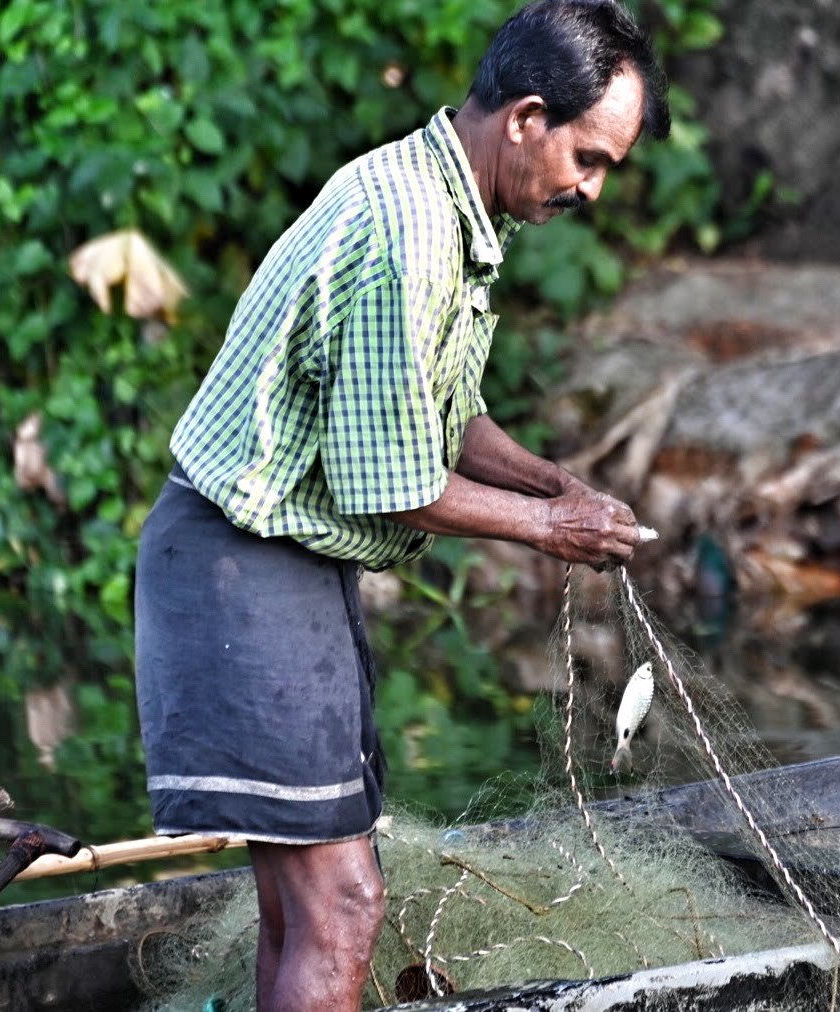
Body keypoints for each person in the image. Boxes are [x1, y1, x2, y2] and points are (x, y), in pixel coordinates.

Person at [133, 2, 671, 1008]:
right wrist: (552, 530)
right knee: (342, 906)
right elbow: (392, 483)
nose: (592, 189)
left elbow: (444, 417)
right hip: (237, 566)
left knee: (302, 912)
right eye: (588, 159)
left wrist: (551, 482)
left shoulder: (448, 206)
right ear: (526, 120)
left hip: (282, 567)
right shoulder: (407, 228)